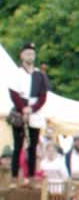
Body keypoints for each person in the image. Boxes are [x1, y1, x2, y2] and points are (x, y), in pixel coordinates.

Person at [8, 42, 50, 183]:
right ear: (22, 55)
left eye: (32, 54)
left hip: (35, 110)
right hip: (21, 109)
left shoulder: (39, 75)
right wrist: (22, 109)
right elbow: (13, 93)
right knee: (18, 145)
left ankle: (31, 176)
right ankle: (14, 177)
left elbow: (43, 96)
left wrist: (32, 109)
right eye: (27, 53)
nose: (30, 56)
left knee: (33, 146)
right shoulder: (17, 73)